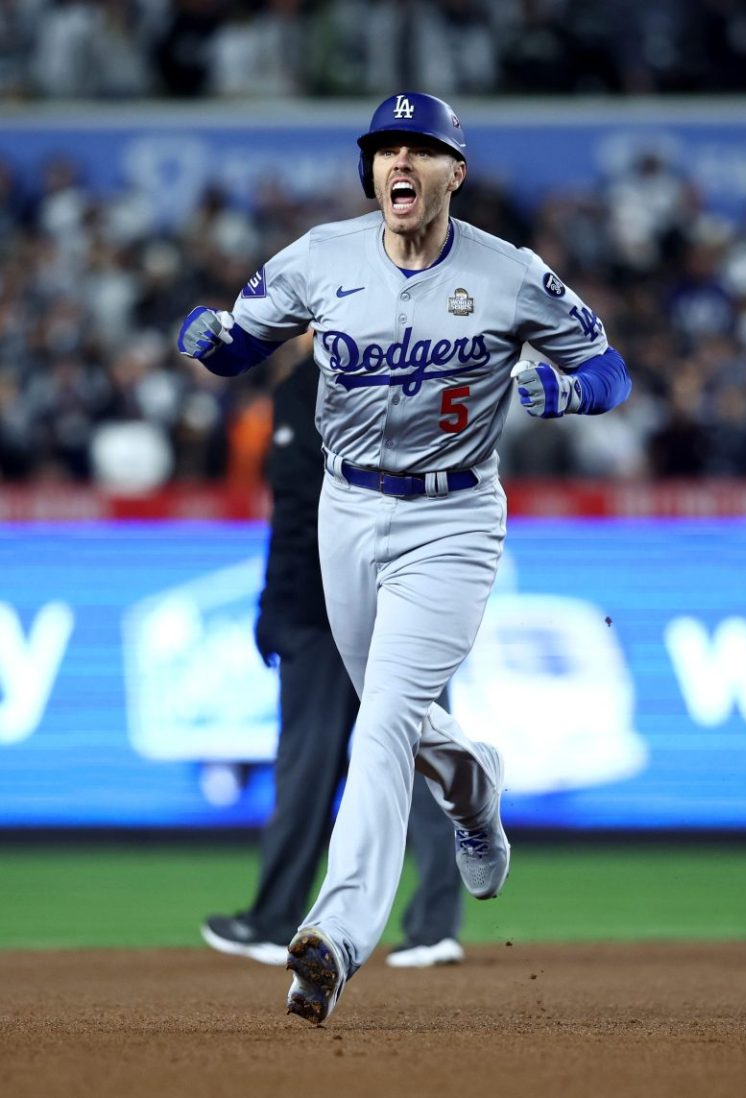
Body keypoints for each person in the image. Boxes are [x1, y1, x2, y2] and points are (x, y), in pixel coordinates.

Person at [178, 91, 632, 1024]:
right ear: (370, 170)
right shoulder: (320, 259)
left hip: (454, 519)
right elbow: (238, 349)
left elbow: (609, 369)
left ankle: (335, 939)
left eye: (421, 149)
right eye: (386, 148)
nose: (400, 162)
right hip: (344, 508)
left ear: (451, 173)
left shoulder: (508, 274)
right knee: (409, 715)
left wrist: (564, 393)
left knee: (381, 720)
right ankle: (478, 796)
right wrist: (211, 343)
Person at [202, 350, 464, 969]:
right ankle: (435, 927)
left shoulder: (306, 385)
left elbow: (296, 511)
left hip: (324, 611)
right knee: (424, 755)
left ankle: (274, 921)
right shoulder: (413, 367)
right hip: (409, 599)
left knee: (309, 766)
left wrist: (274, 605)